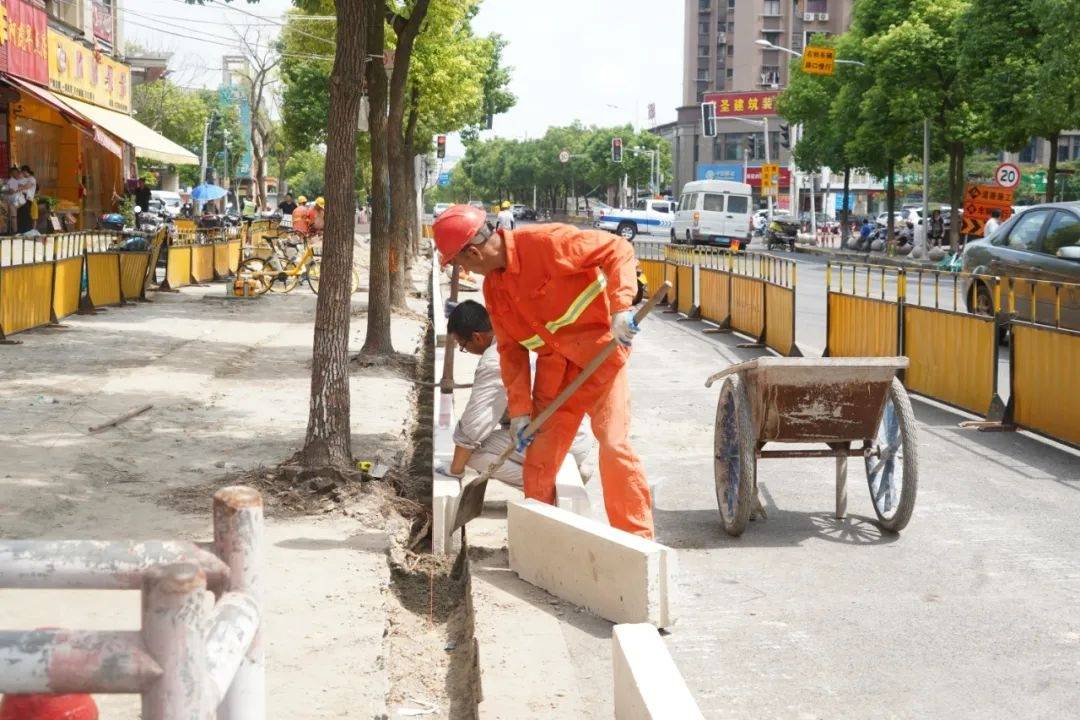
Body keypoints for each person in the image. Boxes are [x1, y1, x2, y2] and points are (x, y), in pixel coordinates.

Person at [433, 204, 653, 539]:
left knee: (612, 445)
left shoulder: (545, 243)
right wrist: (520, 412)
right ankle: (542, 542)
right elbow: (511, 352)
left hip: (600, 358)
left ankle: (638, 542)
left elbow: (617, 248)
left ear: (474, 253)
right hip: (556, 370)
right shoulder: (494, 290)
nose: (463, 270)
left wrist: (621, 307)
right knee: (539, 461)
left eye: (459, 262)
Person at [436, 300, 595, 487]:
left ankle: (548, 483)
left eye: (463, 345)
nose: (466, 350)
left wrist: (456, 470)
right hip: (578, 434)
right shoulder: (518, 334)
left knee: (473, 452)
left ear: (477, 337)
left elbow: (474, 424)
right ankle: (566, 470)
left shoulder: (493, 361)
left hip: (560, 441)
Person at [16, 165, 36, 234]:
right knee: (21, 215)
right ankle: (21, 230)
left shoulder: (32, 179)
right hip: (22, 199)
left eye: (22, 172)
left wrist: (18, 188)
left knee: (25, 215)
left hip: (27, 199)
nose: (21, 173)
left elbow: (26, 187)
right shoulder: (25, 179)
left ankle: (27, 231)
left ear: (25, 171)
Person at [4, 166, 21, 234]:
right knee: (13, 216)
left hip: (11, 201)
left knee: (12, 217)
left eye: (17, 173)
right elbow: (11, 191)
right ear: (12, 173)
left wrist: (5, 191)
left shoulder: (12, 181)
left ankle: (12, 231)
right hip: (13, 201)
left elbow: (10, 191)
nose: (17, 174)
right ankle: (14, 231)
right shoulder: (13, 181)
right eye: (15, 173)